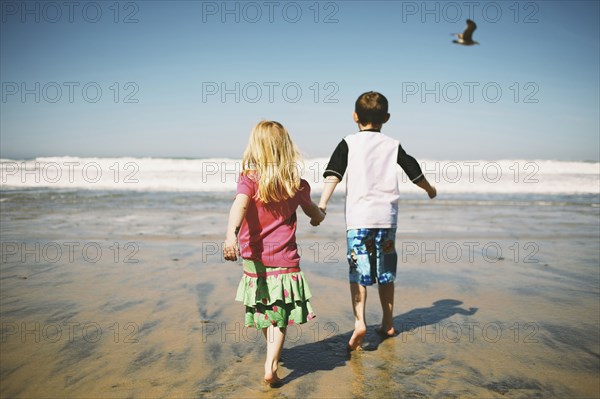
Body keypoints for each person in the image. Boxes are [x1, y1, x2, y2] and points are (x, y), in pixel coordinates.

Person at [317, 91, 437, 351]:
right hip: (386, 220)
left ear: (355, 116)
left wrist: (323, 204)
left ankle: (360, 321)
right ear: (386, 118)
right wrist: (429, 189)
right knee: (385, 273)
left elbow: (333, 174)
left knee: (358, 272)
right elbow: (413, 170)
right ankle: (388, 321)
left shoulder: (348, 142)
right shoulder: (392, 145)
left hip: (359, 220)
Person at [223, 120, 325, 387]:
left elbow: (239, 207)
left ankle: (270, 360)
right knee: (278, 313)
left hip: (254, 260)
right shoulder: (296, 184)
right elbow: (314, 212)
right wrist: (319, 216)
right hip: (285, 261)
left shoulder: (249, 180)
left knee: (266, 309)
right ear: (285, 148)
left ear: (255, 147)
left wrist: (230, 235)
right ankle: (271, 365)